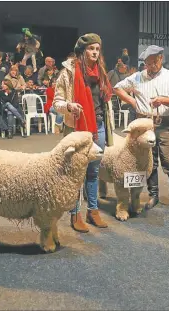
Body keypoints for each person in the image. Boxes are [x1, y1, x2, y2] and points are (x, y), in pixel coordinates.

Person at [114, 45, 169, 216]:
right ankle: (153, 196)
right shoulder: (137, 77)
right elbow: (116, 87)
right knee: (148, 163)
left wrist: (162, 100)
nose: (150, 66)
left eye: (153, 62)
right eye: (147, 63)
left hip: (165, 124)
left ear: (161, 59)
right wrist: (133, 102)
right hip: (144, 124)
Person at [53, 33, 114, 232]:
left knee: (94, 171)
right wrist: (69, 106)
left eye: (97, 49)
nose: (95, 52)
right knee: (75, 172)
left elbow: (105, 100)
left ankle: (93, 211)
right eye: (91, 48)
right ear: (82, 50)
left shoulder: (101, 72)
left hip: (98, 126)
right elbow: (57, 102)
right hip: (76, 127)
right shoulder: (68, 72)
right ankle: (75, 213)